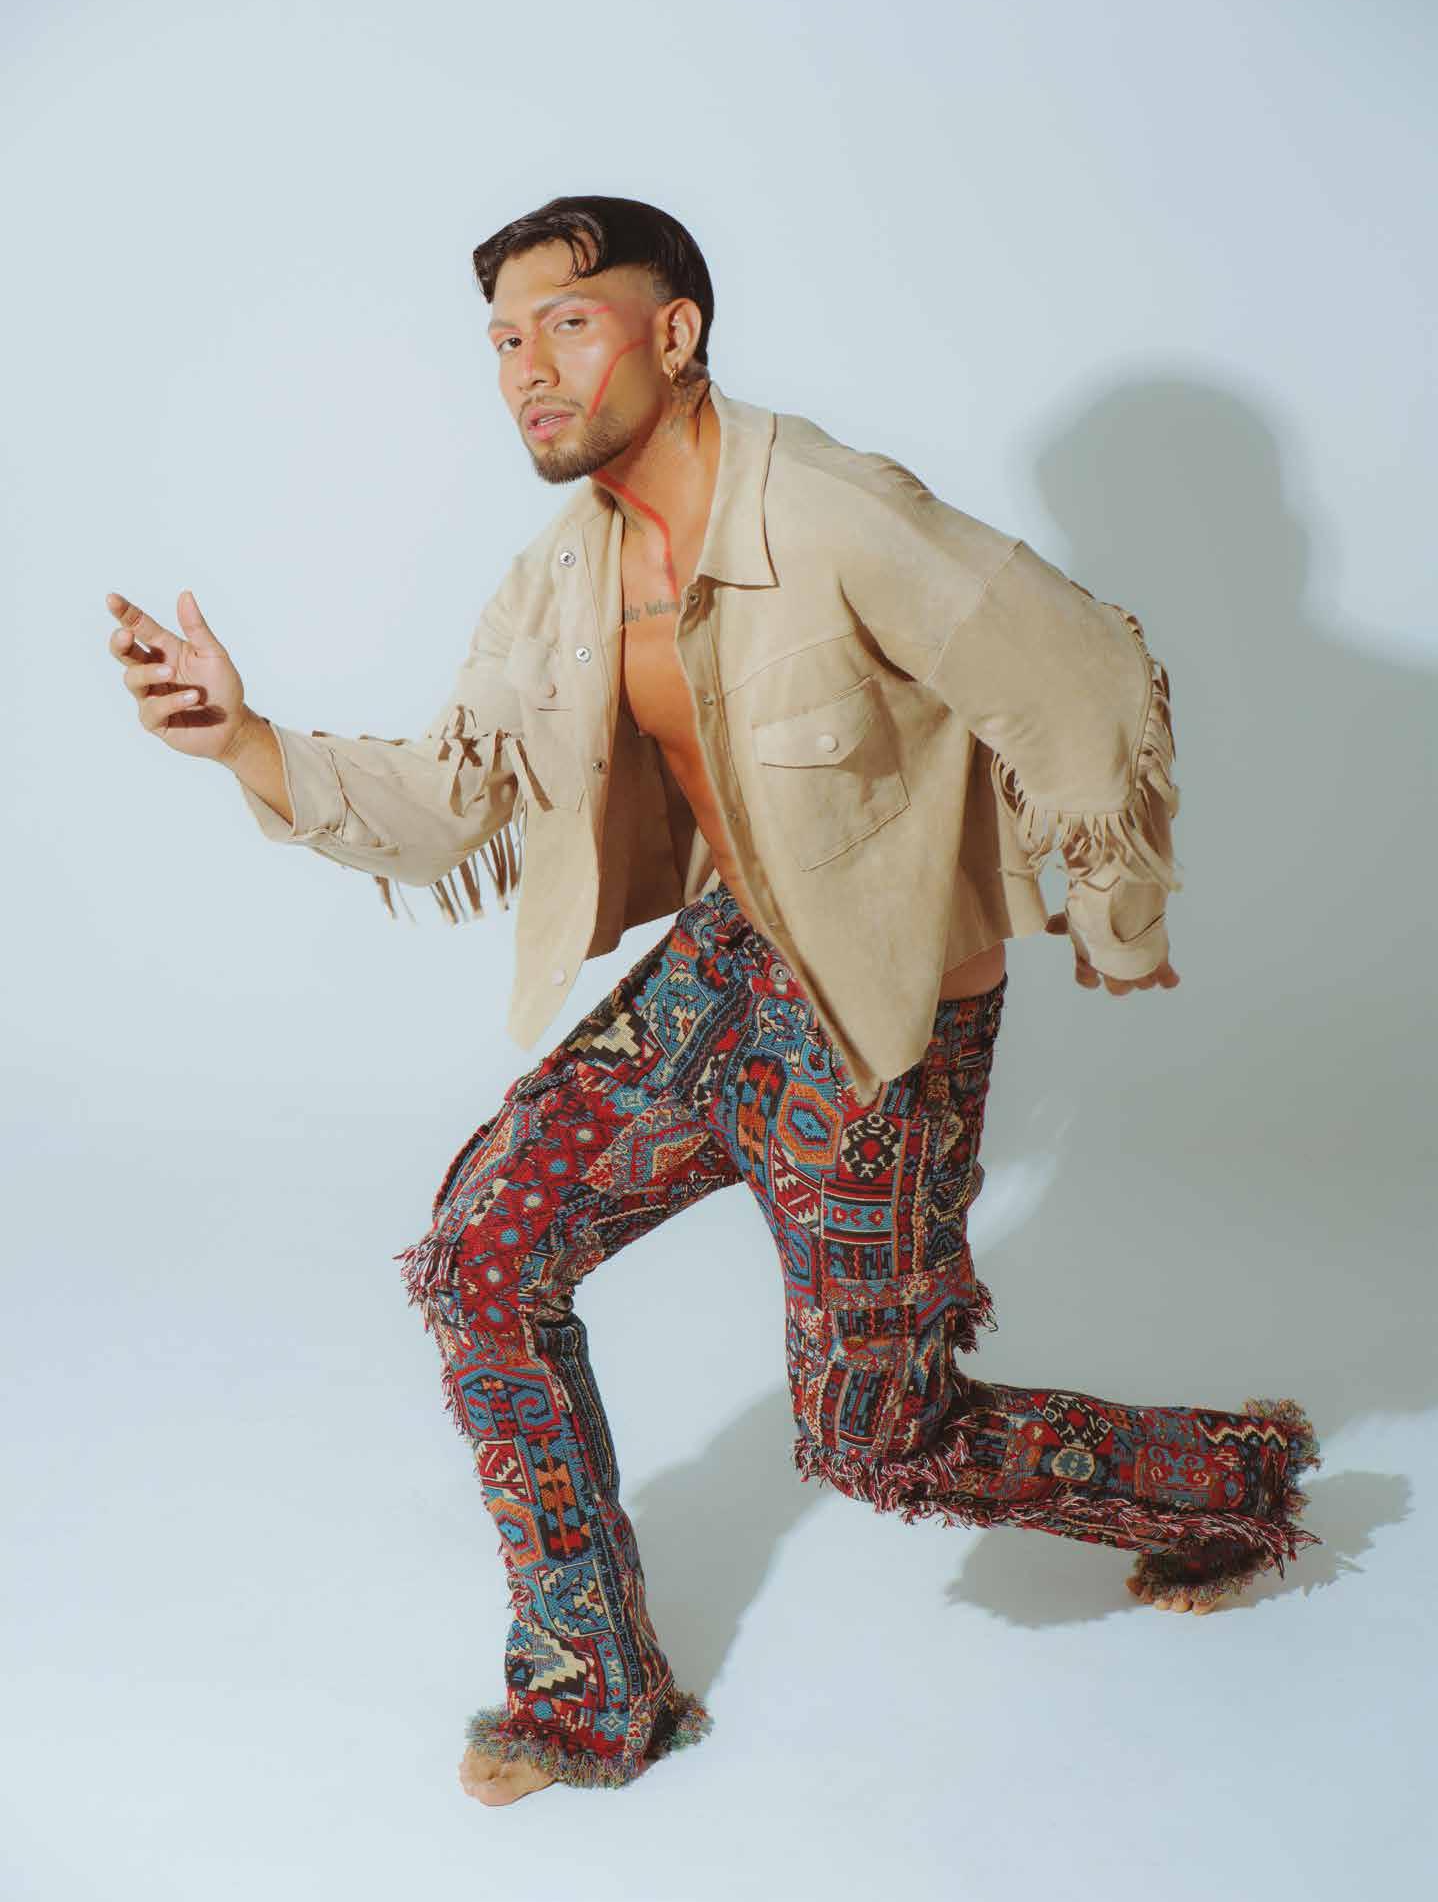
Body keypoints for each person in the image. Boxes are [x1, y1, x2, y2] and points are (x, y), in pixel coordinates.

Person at [103, 193, 1323, 1806]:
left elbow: (1083, 675)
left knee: (878, 1440)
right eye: (502, 340)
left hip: (876, 1031)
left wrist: (1081, 907)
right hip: (724, 973)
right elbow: (454, 799)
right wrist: (245, 740)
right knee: (480, 1261)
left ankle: (1229, 1477)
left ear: (673, 333)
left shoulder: (833, 509)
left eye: (568, 324)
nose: (527, 370)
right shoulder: (565, 571)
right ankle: (594, 1692)